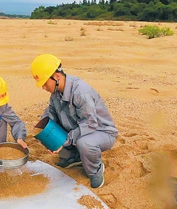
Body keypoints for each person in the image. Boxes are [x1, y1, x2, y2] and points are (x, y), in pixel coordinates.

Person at [30, 54, 118, 189]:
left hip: (100, 131)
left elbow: (90, 123)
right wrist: (44, 127)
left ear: (57, 76)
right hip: (78, 127)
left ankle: (96, 170)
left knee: (85, 143)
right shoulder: (55, 93)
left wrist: (65, 141)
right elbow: (51, 112)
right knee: (50, 132)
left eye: (45, 83)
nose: (43, 87)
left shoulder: (80, 92)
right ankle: (73, 156)